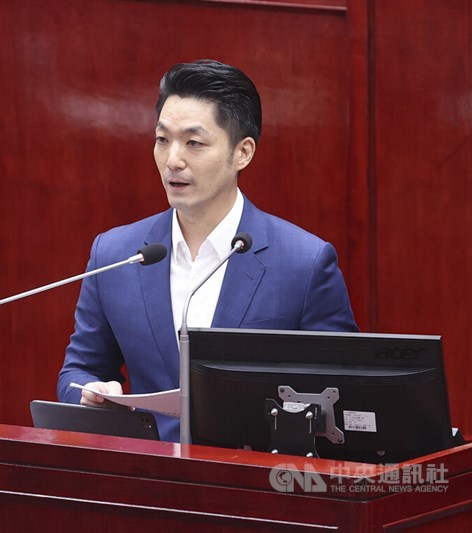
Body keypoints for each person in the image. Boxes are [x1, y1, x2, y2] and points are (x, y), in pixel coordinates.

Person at [57, 60, 358, 442]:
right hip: (148, 485)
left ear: (243, 153)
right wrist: (90, 394)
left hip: (255, 485)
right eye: (162, 139)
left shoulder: (304, 262)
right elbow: (78, 371)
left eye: (194, 143)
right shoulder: (116, 254)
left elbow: (343, 393)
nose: (173, 160)